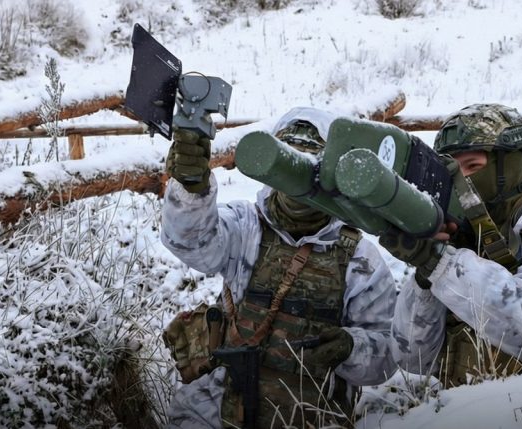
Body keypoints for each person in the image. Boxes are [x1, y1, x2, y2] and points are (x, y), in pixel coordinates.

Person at [160, 106, 398, 428]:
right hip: (216, 412)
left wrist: (351, 347)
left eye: (307, 165)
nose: (293, 181)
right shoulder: (246, 227)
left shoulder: (359, 260)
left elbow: (387, 353)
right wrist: (191, 189)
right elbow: (188, 242)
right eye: (286, 163)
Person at [384, 104, 522, 386]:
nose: (462, 179)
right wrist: (425, 277)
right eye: (454, 169)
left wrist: (441, 263)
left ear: (513, 164)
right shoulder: (464, 239)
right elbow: (413, 358)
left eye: (473, 166)